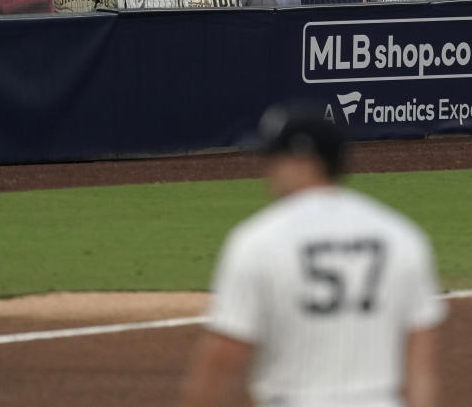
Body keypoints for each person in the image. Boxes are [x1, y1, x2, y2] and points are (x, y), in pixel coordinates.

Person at [180, 101, 446, 407]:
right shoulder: (402, 236)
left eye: (275, 158)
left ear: (305, 160)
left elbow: (223, 357)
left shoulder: (259, 241)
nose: (267, 170)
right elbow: (420, 365)